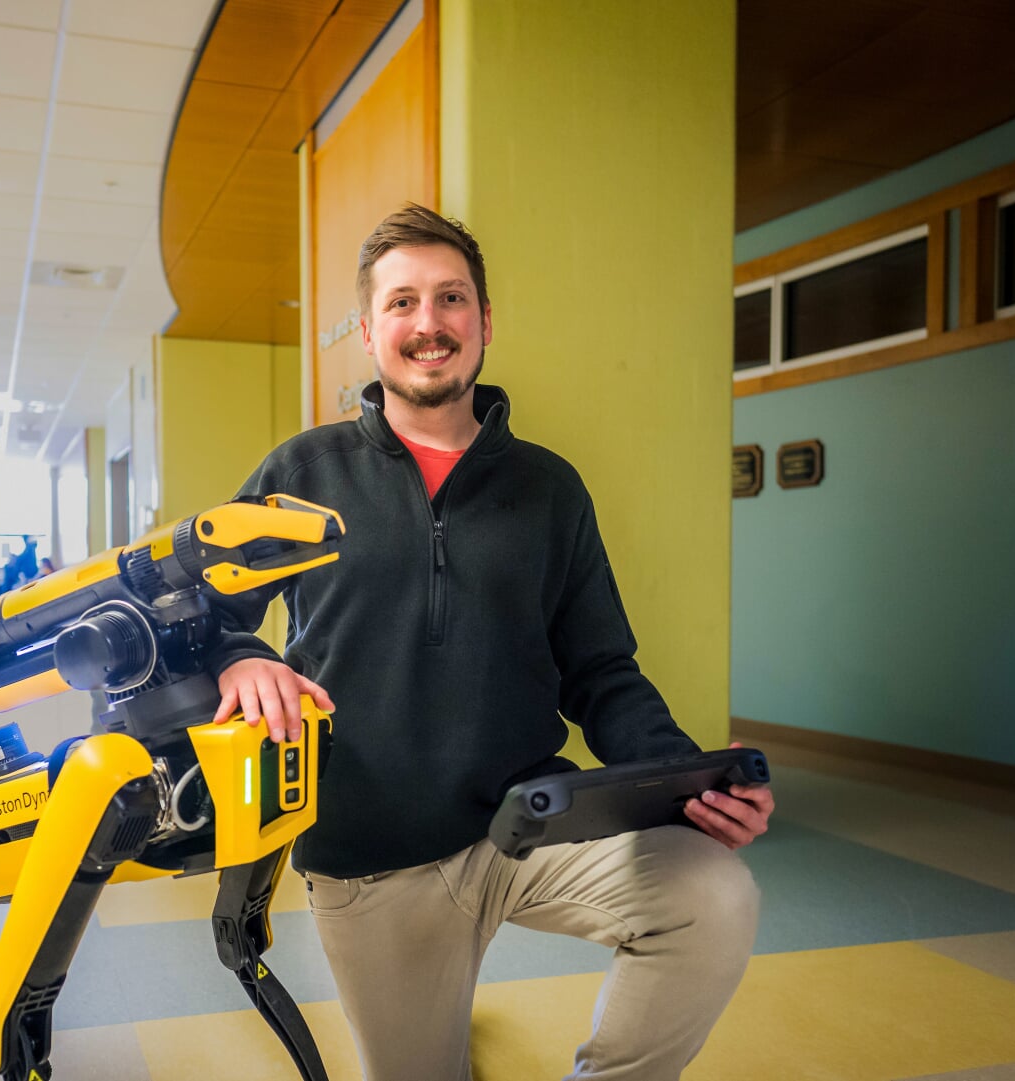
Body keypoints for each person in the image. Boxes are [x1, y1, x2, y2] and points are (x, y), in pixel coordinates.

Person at [208, 204, 774, 1080]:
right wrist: (239, 655)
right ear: (369, 330)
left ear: (483, 323)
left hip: (528, 825)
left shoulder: (549, 489)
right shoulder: (301, 475)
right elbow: (202, 615)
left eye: (451, 298)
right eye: (402, 303)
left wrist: (680, 782)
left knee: (710, 891)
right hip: (370, 853)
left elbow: (600, 669)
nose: (428, 323)